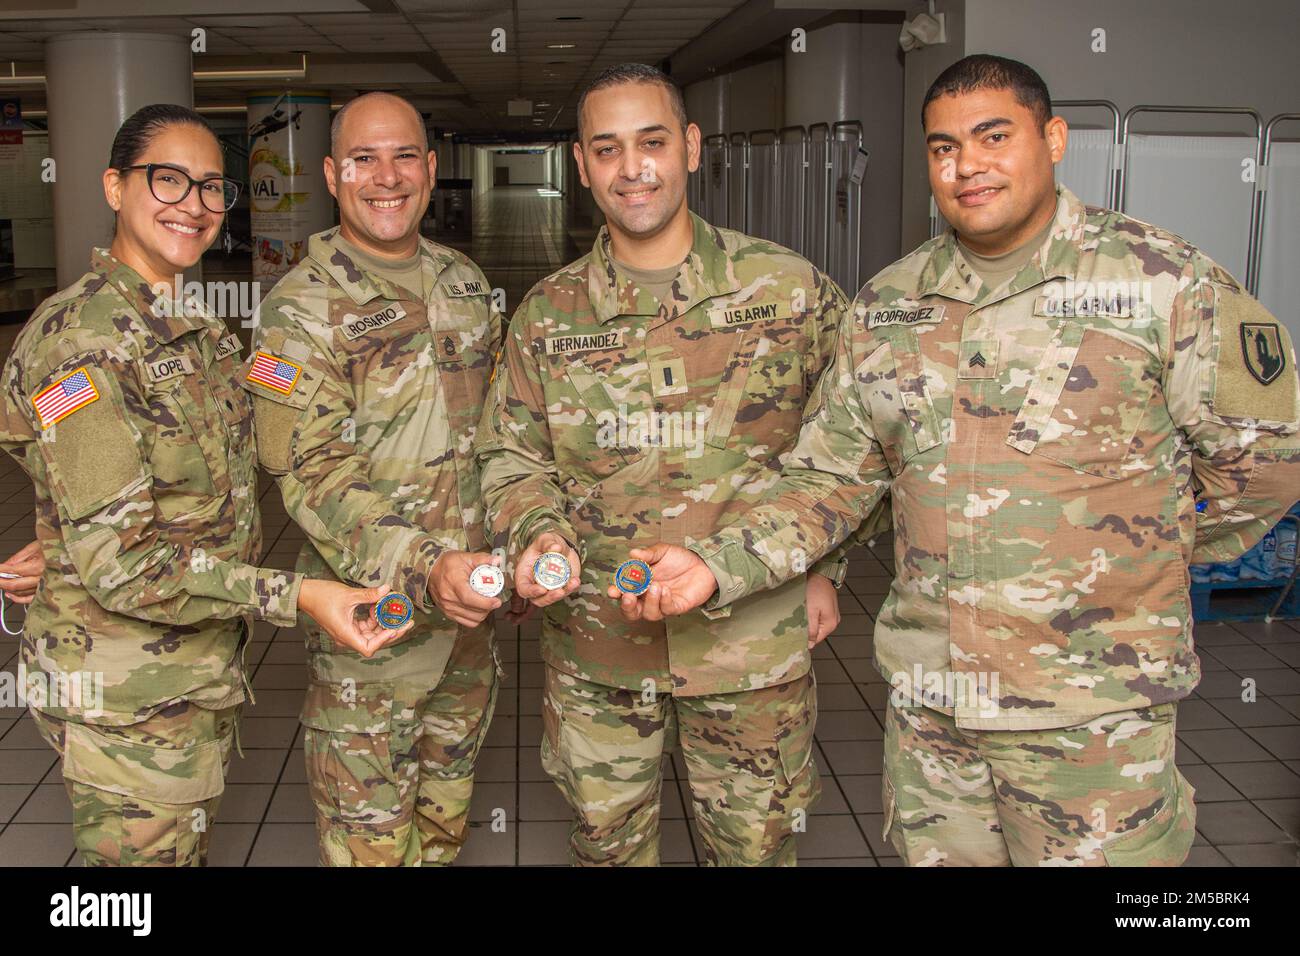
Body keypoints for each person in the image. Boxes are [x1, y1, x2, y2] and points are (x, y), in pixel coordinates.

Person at [615, 54, 1300, 866]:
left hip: (1093, 717)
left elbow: (1266, 458)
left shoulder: (1160, 282)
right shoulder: (890, 306)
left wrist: (1143, 557)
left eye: (993, 137)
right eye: (944, 148)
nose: (966, 165)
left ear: (1053, 139)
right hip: (934, 713)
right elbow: (831, 480)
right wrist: (714, 565)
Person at [474, 63, 872, 867]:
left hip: (751, 640)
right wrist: (537, 535)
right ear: (581, 164)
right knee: (607, 848)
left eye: (652, 142)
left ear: (690, 147)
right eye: (607, 149)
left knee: (755, 851)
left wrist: (826, 567)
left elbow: (855, 449)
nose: (633, 168)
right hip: (598, 647)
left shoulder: (790, 291)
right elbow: (510, 455)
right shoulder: (547, 314)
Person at [0, 103, 397, 867]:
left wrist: (65, 531)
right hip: (127, 695)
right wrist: (301, 596)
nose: (194, 204)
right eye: (168, 180)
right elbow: (125, 565)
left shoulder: (191, 328)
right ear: (115, 187)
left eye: (213, 186)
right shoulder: (83, 343)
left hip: (189, 674)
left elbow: (234, 426)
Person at [242, 92, 503, 867]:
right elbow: (310, 472)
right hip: (374, 631)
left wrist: (509, 547)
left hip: (468, 628)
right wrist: (429, 566)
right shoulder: (295, 313)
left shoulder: (463, 281)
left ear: (430, 168)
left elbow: (498, 435)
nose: (386, 177)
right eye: (363, 159)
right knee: (373, 848)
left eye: (403, 157)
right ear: (332, 175)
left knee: (445, 826)